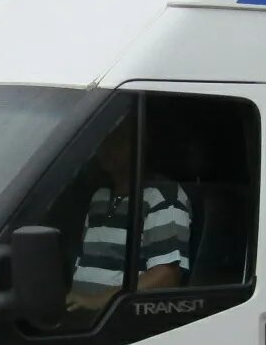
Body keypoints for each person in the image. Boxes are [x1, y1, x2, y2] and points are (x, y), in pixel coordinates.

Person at [67, 118, 193, 316]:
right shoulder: (99, 197)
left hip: (122, 324)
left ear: (140, 143)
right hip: (82, 320)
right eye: (103, 138)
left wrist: (97, 301)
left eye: (118, 138)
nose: (106, 146)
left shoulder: (162, 196)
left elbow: (166, 277)